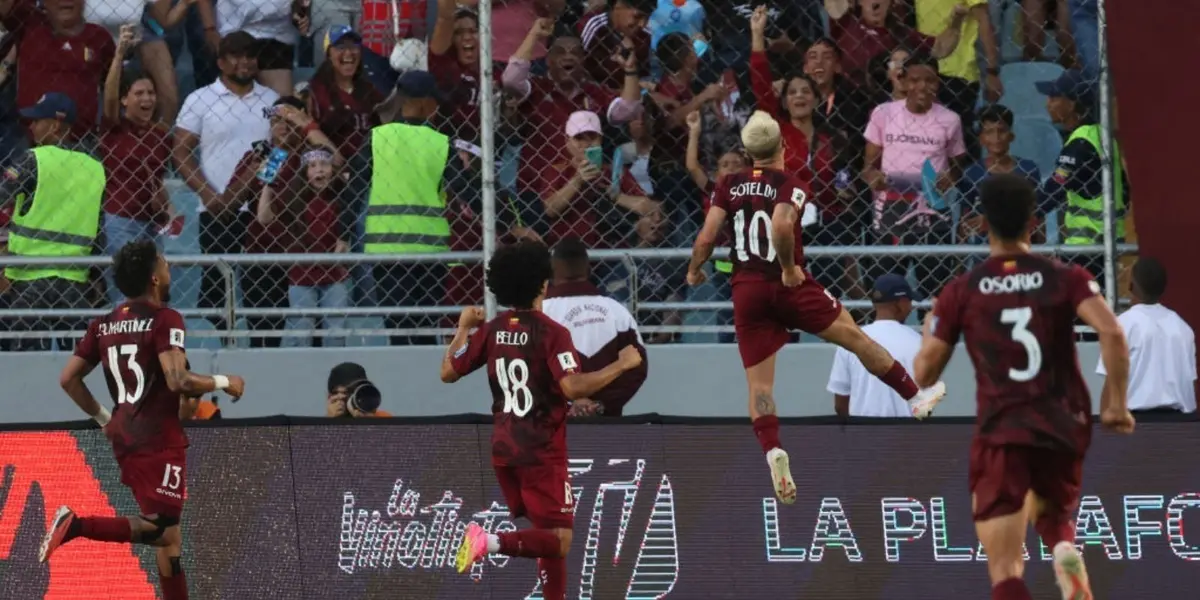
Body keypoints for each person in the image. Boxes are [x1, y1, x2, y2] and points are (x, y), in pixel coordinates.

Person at [686, 111, 947, 504]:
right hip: (788, 284)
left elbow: (706, 237)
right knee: (854, 337)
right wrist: (790, 268)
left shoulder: (727, 184)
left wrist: (693, 271)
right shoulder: (792, 183)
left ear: (746, 151)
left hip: (746, 290)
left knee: (760, 385)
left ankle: (773, 449)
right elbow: (780, 225)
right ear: (782, 147)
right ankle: (914, 398)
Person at [912, 173, 1134, 600]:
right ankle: (1063, 545)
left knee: (1005, 565)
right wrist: (1117, 406)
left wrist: (930, 330)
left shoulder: (962, 291)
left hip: (1003, 428)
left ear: (983, 223)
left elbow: (924, 376)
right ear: (1033, 220)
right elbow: (1112, 332)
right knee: (1052, 507)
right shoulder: (1065, 276)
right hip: (1063, 423)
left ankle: (1053, 553)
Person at [42, 239, 246, 600]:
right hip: (158, 440)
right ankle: (76, 525)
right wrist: (224, 381)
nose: (170, 270)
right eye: (165, 264)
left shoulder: (103, 325)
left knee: (171, 540)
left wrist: (106, 419)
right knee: (161, 531)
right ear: (154, 278)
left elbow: (67, 379)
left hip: (125, 435)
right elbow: (178, 380)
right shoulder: (165, 318)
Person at [442, 241, 643, 600]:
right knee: (559, 540)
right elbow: (572, 386)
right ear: (542, 285)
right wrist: (622, 364)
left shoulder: (492, 330)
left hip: (504, 449)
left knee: (545, 535)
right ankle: (486, 540)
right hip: (540, 451)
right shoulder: (551, 332)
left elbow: (448, 372)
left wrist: (462, 328)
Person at [349, 70, 454, 345]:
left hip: (388, 249)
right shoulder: (441, 143)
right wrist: (506, 224)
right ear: (421, 102)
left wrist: (342, 233)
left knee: (397, 332)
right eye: (433, 100)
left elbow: (354, 190)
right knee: (427, 331)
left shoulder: (377, 138)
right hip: (430, 251)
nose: (437, 106)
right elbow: (469, 191)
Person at [2, 93, 104, 352]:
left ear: (56, 126)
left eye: (38, 121)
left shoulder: (33, 159)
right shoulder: (94, 166)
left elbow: (2, 194)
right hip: (74, 279)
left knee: (26, 362)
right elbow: (99, 227)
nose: (32, 126)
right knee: (80, 362)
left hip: (30, 279)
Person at [542, 237, 648, 416]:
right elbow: (637, 367)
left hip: (549, 426)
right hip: (606, 426)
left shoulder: (539, 313)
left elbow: (525, 367)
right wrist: (600, 405)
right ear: (588, 269)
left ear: (551, 271)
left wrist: (569, 404)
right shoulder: (617, 311)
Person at [1097, 257, 1196, 414]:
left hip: (1136, 424)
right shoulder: (1183, 328)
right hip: (1180, 426)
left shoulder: (1120, 326)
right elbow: (1189, 383)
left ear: (1131, 285)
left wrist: (1103, 431)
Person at [827, 274, 924, 418]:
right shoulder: (919, 343)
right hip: (907, 434)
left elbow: (840, 405)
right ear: (901, 303)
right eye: (909, 301)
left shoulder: (850, 340)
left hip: (863, 434)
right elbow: (926, 403)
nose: (910, 307)